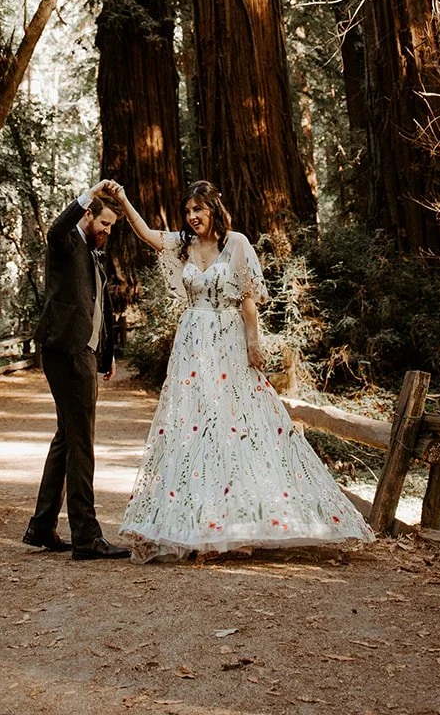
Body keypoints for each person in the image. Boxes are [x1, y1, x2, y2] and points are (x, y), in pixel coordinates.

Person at [104, 178, 373, 560]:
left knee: (234, 424)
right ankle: (197, 522)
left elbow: (249, 301)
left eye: (198, 210)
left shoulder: (237, 244)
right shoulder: (184, 245)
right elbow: (147, 233)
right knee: (192, 426)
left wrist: (253, 344)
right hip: (192, 345)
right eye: (187, 211)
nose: (192, 217)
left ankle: (239, 521)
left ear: (214, 209)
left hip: (228, 343)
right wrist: (125, 198)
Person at [24, 184, 131, 560]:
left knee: (67, 438)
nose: (107, 230)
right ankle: (86, 536)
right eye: (104, 222)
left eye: (112, 226)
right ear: (88, 215)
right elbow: (54, 230)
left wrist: (106, 354)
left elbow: (97, 307)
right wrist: (87, 194)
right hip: (67, 350)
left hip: (84, 351)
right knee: (81, 440)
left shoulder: (93, 254)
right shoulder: (67, 242)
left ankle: (42, 526)